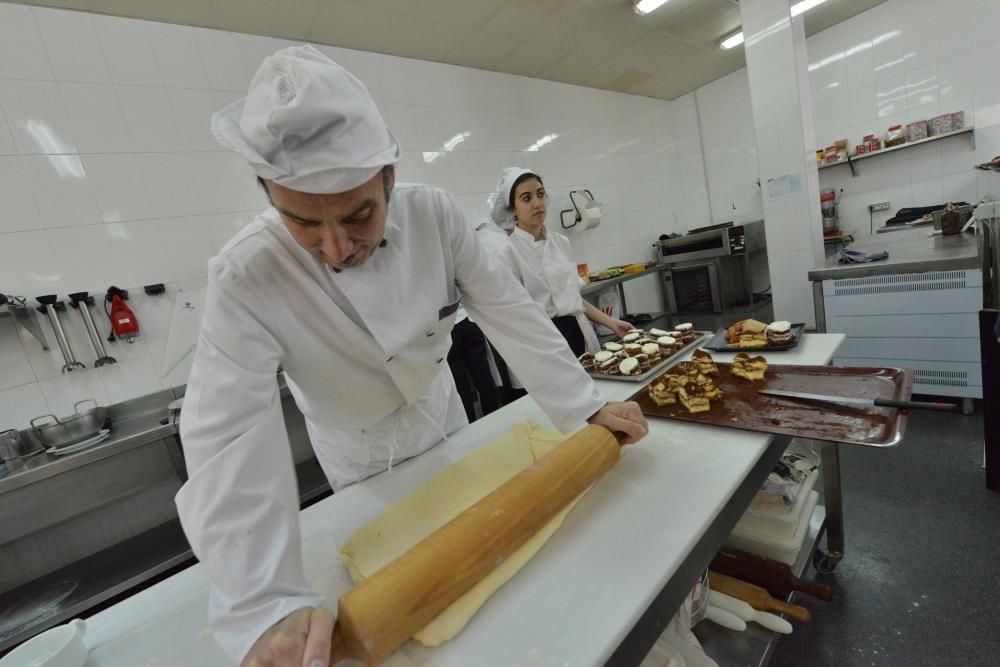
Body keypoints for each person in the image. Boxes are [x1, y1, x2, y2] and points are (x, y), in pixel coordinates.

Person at [174, 45, 648, 667]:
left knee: (494, 584)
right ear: (268, 193)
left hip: (442, 416)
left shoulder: (435, 217)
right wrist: (262, 604)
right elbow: (227, 438)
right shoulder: (245, 275)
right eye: (304, 224)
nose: (337, 247)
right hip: (356, 455)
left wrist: (582, 407)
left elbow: (510, 311)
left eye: (358, 213)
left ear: (389, 176)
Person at [491, 168, 632, 357]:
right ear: (512, 209)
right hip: (544, 342)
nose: (537, 203)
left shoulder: (561, 242)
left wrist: (612, 323)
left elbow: (573, 299)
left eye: (540, 195)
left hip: (580, 332)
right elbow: (513, 317)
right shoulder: (507, 254)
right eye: (527, 198)